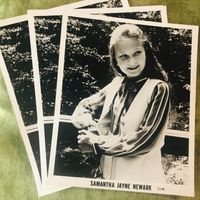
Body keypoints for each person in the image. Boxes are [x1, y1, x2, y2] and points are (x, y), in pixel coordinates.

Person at [72, 24, 170, 183]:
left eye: (137, 52)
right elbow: (84, 106)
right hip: (107, 178)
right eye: (123, 56)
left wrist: (95, 142)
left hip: (142, 181)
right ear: (115, 60)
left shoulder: (158, 89)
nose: (132, 61)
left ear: (147, 53)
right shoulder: (116, 84)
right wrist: (90, 128)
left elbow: (144, 140)